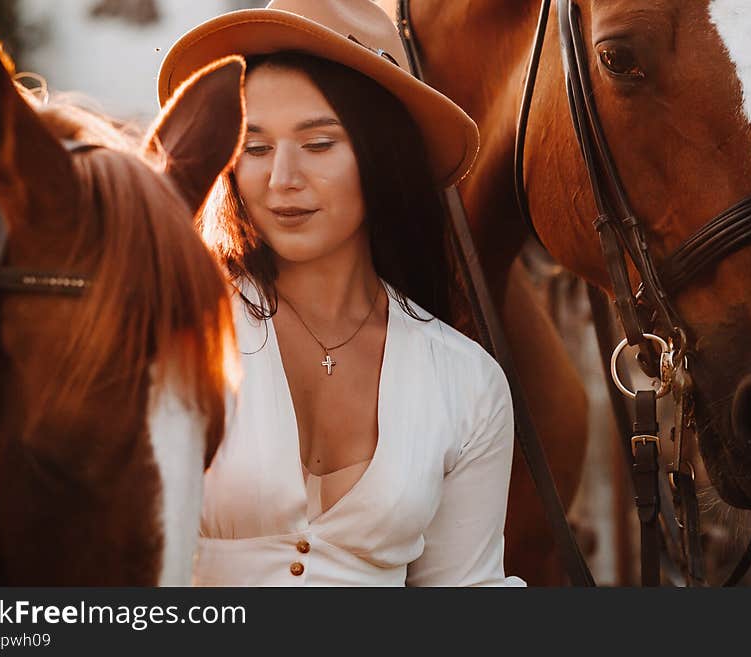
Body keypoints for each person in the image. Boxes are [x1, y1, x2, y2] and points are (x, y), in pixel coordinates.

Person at [157, 0, 521, 586]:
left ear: (382, 157)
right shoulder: (178, 334)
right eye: (255, 148)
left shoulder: (466, 382)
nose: (282, 179)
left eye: (319, 144)